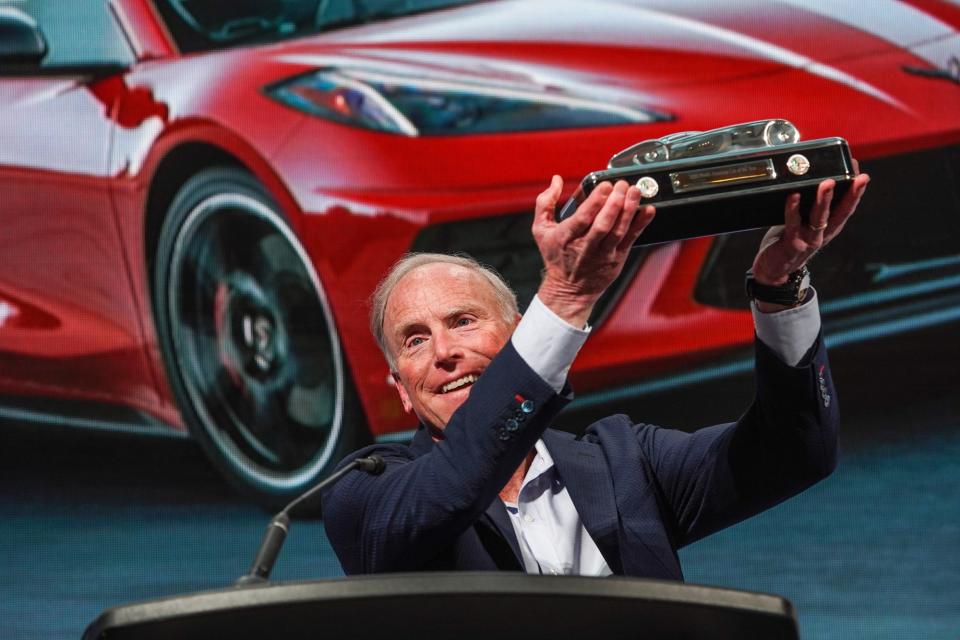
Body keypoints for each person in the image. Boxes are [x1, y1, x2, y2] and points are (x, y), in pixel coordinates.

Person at [323, 171, 870, 577]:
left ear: (517, 337)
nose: (443, 351)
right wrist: (563, 298)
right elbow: (457, 482)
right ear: (401, 388)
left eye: (463, 322)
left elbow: (794, 452)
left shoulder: (625, 462)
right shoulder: (364, 493)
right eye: (414, 341)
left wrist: (779, 289)